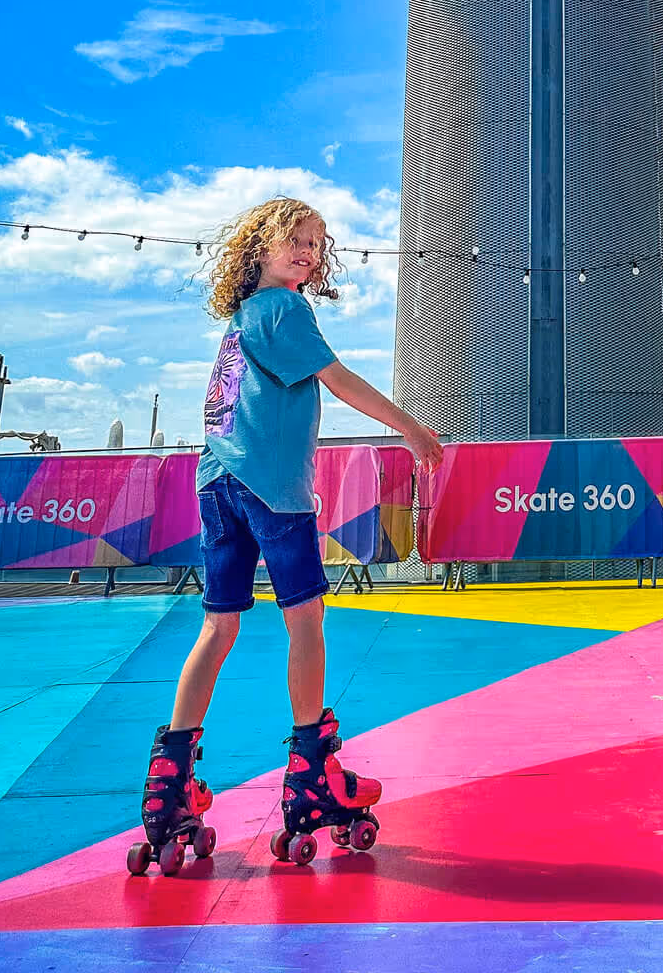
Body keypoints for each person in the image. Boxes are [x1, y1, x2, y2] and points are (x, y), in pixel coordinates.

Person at [129, 197, 443, 874]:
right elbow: (338, 379)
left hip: (218, 483)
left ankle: (169, 780)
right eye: (295, 239)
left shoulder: (241, 323)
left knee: (218, 629)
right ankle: (311, 771)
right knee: (306, 619)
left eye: (316, 242)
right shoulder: (285, 310)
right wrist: (410, 427)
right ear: (261, 249)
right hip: (272, 490)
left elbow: (232, 411)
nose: (307, 251)